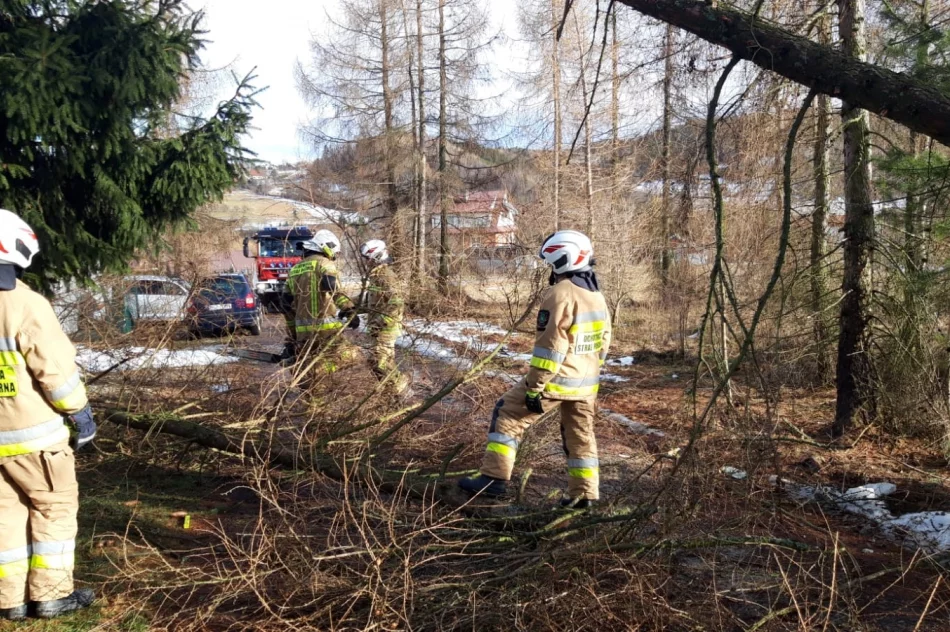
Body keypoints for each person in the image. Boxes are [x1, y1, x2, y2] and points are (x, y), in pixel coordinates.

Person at [458, 230, 611, 508]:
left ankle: (494, 479)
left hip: (557, 379)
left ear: (563, 259)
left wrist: (534, 388)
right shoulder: (596, 295)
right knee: (580, 437)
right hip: (586, 383)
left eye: (552, 262)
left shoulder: (560, 293)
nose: (550, 268)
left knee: (507, 414)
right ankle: (584, 496)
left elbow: (550, 348)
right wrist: (589, 373)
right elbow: (603, 342)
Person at [0, 209, 96, 620]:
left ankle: (10, 601)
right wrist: (81, 412)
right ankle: (52, 595)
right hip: (37, 442)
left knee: (5, 517)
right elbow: (55, 373)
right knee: (53, 510)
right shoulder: (24, 303)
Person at [286, 229, 358, 372]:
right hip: (325, 330)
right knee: (351, 355)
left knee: (311, 363)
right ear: (326, 247)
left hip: (303, 333)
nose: (334, 257)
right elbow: (335, 290)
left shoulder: (294, 269)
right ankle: (316, 371)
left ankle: (312, 385)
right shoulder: (324, 263)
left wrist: (292, 336)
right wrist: (349, 309)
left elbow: (286, 304)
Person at [358, 240, 408, 394]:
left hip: (387, 327)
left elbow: (396, 302)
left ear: (376, 257)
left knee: (379, 361)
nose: (366, 263)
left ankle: (401, 387)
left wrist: (381, 323)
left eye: (368, 259)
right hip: (378, 326)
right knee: (379, 362)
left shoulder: (386, 275)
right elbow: (371, 301)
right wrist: (348, 307)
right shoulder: (376, 275)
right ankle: (391, 392)